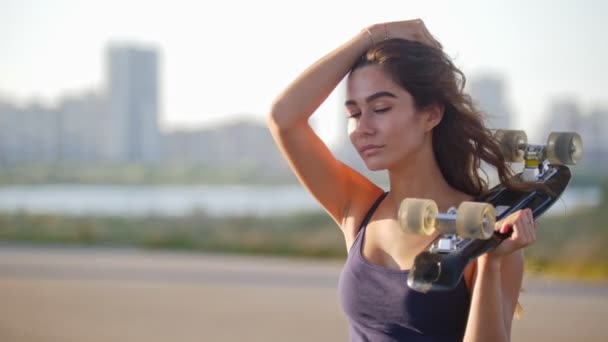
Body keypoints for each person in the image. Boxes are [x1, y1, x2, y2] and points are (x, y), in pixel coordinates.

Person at [267, 19, 537, 342]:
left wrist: (490, 263)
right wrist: (371, 36)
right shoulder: (358, 208)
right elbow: (284, 118)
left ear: (431, 115)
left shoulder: (484, 229)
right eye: (354, 114)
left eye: (380, 108)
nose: (362, 127)